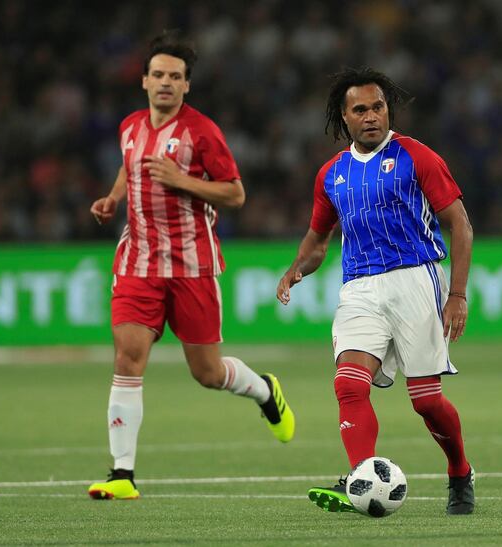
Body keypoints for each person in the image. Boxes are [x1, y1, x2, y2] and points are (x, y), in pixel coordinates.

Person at [87, 30, 294, 500]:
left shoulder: (202, 133)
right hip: (137, 262)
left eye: (175, 77)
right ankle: (122, 475)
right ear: (143, 80)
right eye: (158, 74)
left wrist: (183, 180)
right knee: (127, 357)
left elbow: (235, 193)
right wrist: (113, 198)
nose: (165, 82)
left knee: (207, 372)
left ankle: (264, 391)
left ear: (186, 86)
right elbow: (129, 165)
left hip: (192, 265)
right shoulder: (130, 127)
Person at [277, 67, 475, 516]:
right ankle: (360, 477)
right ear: (343, 117)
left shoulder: (416, 156)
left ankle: (460, 471)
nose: (371, 116)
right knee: (348, 383)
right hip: (359, 287)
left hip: (416, 279)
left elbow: (460, 224)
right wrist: (296, 270)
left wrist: (457, 294)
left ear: (388, 110)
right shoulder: (331, 174)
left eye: (378, 107)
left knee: (426, 401)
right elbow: (317, 240)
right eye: (360, 109)